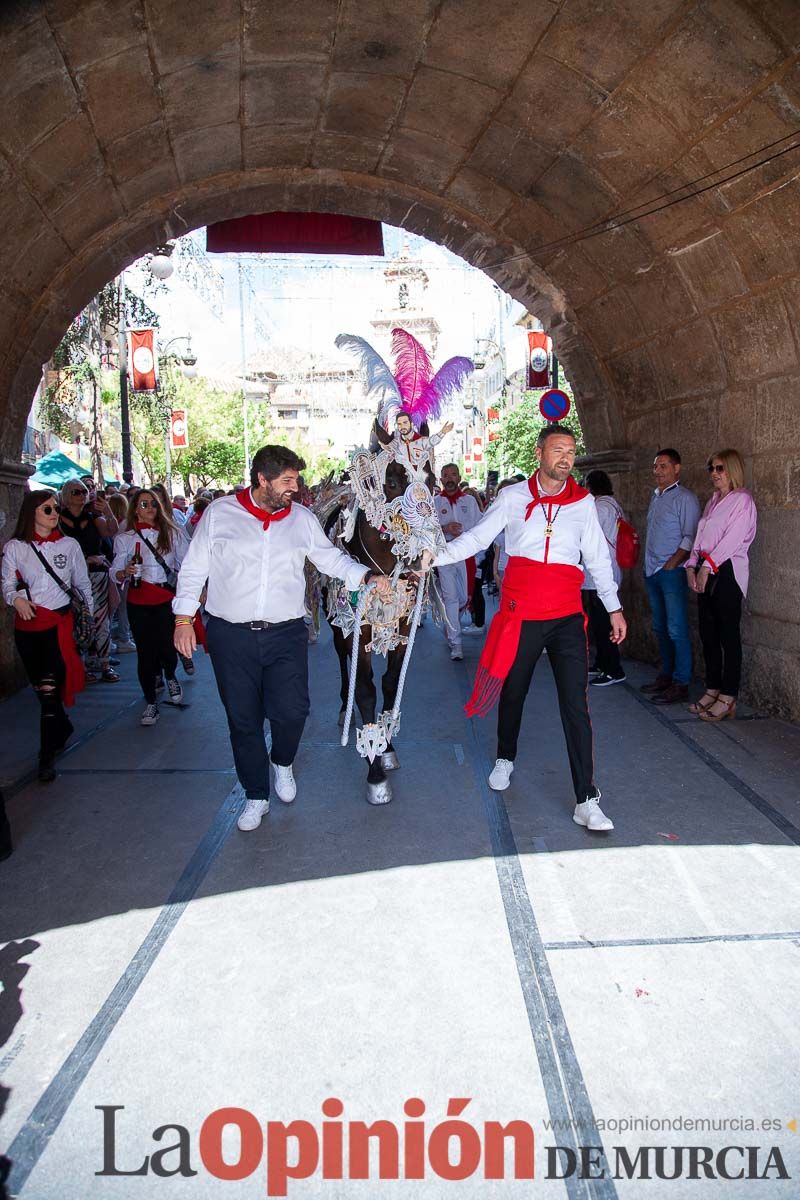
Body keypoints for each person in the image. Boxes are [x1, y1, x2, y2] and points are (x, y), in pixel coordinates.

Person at [173, 445, 392, 833]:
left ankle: (282, 761)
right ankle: (256, 796)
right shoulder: (220, 514)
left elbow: (330, 559)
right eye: (287, 481)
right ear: (262, 479)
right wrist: (183, 618)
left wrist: (365, 576)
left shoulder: (302, 520)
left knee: (292, 712)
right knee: (243, 720)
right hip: (231, 635)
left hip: (286, 633)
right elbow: (193, 569)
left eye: (296, 480)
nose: (295, 487)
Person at [421, 425, 625, 832]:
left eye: (571, 452)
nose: (565, 458)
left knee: (576, 704)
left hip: (566, 615)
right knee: (515, 690)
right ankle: (505, 757)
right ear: (539, 454)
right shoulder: (513, 498)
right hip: (523, 614)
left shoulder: (584, 504)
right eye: (557, 450)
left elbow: (598, 558)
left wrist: (614, 607)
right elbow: (479, 537)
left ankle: (586, 797)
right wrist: (438, 555)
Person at [2, 490, 93, 781]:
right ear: (32, 513)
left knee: (49, 689)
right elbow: (6, 582)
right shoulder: (15, 547)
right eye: (47, 509)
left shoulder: (69, 545)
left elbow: (81, 583)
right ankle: (62, 725)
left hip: (58, 627)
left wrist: (88, 616)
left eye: (55, 508)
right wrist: (15, 598)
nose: (54, 513)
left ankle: (45, 758)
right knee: (42, 693)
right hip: (27, 630)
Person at [685, 449, 757, 722]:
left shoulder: (743, 501)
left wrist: (707, 566)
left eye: (720, 468)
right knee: (708, 634)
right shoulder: (714, 500)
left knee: (728, 636)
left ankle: (728, 696)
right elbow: (701, 535)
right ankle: (712, 689)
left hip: (726, 572)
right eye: (711, 468)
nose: (714, 473)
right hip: (706, 567)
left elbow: (733, 539)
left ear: (733, 470)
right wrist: (691, 564)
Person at [112, 489, 188, 726]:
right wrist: (124, 572)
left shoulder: (172, 534)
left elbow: (186, 564)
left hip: (165, 596)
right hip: (138, 599)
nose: (150, 508)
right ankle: (151, 703)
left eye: (154, 504)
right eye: (144, 504)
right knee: (145, 653)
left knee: (167, 646)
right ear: (135, 507)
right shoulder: (125, 538)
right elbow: (114, 569)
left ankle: (171, 674)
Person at [642, 448, 701, 704]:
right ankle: (665, 676)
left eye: (663, 466)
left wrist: (672, 563)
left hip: (671, 572)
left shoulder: (685, 498)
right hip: (652, 572)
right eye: (656, 466)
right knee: (660, 627)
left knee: (676, 628)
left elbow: (690, 536)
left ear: (677, 468)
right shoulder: (655, 497)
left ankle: (681, 682)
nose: (658, 471)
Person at [58, 477, 119, 682]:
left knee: (101, 620)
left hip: (95, 575)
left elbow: (112, 531)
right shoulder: (57, 520)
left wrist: (108, 510)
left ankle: (104, 663)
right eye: (76, 492)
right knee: (77, 621)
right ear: (66, 496)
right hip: (70, 578)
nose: (82, 495)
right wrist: (85, 558)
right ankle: (81, 666)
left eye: (84, 491)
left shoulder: (93, 517)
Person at [433, 464, 483, 660]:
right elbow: (428, 530)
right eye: (446, 476)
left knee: (463, 598)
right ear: (442, 480)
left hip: (465, 555)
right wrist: (445, 528)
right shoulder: (434, 503)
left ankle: (450, 623)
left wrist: (479, 553)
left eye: (453, 474)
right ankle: (456, 643)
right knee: (450, 598)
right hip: (444, 555)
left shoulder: (469, 501)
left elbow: (479, 526)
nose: (450, 478)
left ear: (459, 476)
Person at [583, 470, 626, 686]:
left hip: (600, 573)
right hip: (609, 568)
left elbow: (588, 536)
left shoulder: (600, 507)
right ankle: (602, 662)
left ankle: (613, 668)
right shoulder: (613, 504)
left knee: (603, 622)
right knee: (599, 621)